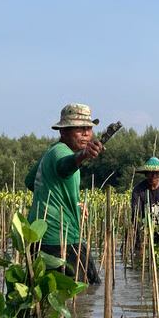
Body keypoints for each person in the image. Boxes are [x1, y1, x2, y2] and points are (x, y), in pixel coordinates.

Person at [25, 103, 104, 284]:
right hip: (61, 241)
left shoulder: (50, 152)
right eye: (79, 129)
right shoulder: (62, 153)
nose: (86, 133)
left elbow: (30, 181)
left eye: (89, 128)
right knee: (84, 292)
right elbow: (65, 165)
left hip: (39, 237)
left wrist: (71, 202)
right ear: (63, 132)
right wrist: (83, 155)